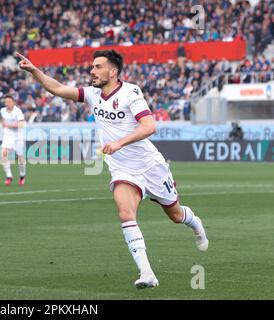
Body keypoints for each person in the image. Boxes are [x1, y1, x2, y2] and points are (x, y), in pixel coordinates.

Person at [16, 50, 209, 289]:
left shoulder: (131, 92)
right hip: (122, 170)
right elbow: (56, 88)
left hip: (150, 166)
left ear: (113, 71)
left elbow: (149, 126)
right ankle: (147, 273)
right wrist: (34, 71)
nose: (92, 71)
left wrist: (119, 142)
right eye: (92, 67)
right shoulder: (92, 94)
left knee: (175, 215)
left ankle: (196, 223)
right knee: (126, 214)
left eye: (98, 67)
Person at [0, 95, 26, 186]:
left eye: (9, 102)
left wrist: (9, 125)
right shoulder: (3, 110)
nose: (7, 103)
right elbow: (3, 121)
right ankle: (9, 176)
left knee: (20, 158)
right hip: (8, 135)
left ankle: (22, 175)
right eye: (5, 102)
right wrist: (4, 126)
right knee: (3, 153)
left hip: (18, 136)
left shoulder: (18, 111)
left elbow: (21, 125)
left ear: (13, 102)